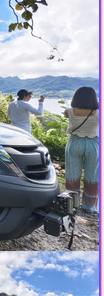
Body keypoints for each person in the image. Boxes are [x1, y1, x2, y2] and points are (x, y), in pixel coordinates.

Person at [62, 86, 99, 214]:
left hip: (74, 142)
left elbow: (66, 115)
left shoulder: (69, 112)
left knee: (72, 174)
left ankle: (71, 203)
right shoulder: (99, 112)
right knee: (93, 175)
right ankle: (90, 206)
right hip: (94, 143)